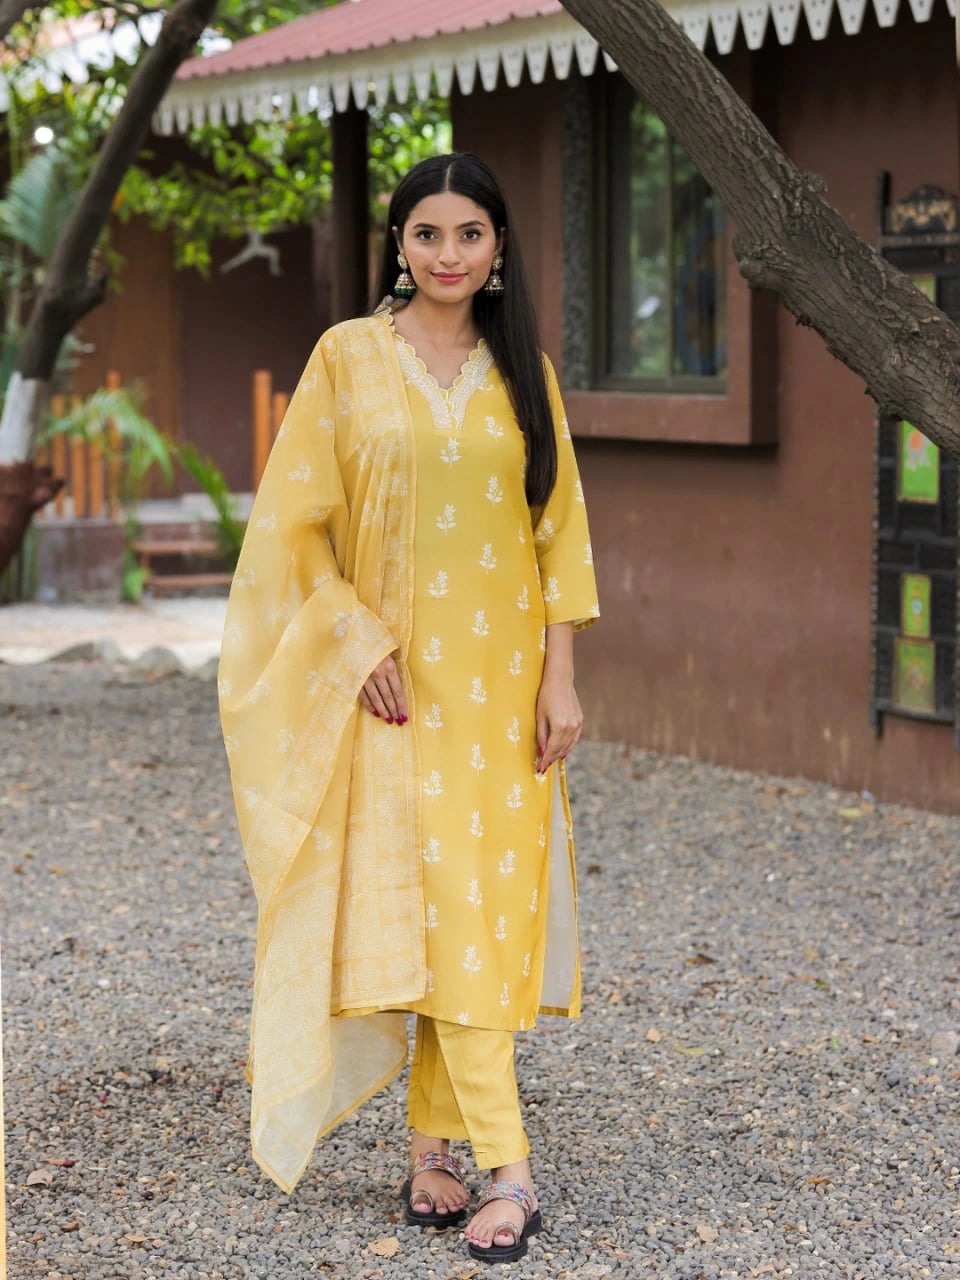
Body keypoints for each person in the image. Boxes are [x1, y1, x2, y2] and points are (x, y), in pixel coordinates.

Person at [218, 152, 600, 1265]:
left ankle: (441, 1148)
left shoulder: (520, 367)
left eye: (468, 234)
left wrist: (560, 676)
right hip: (392, 694)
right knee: (429, 906)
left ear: (497, 250)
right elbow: (289, 531)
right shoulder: (348, 359)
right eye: (426, 233)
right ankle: (503, 1165)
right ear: (398, 245)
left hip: (502, 697)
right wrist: (354, 637)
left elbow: (559, 532)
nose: (446, 254)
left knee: (474, 909)